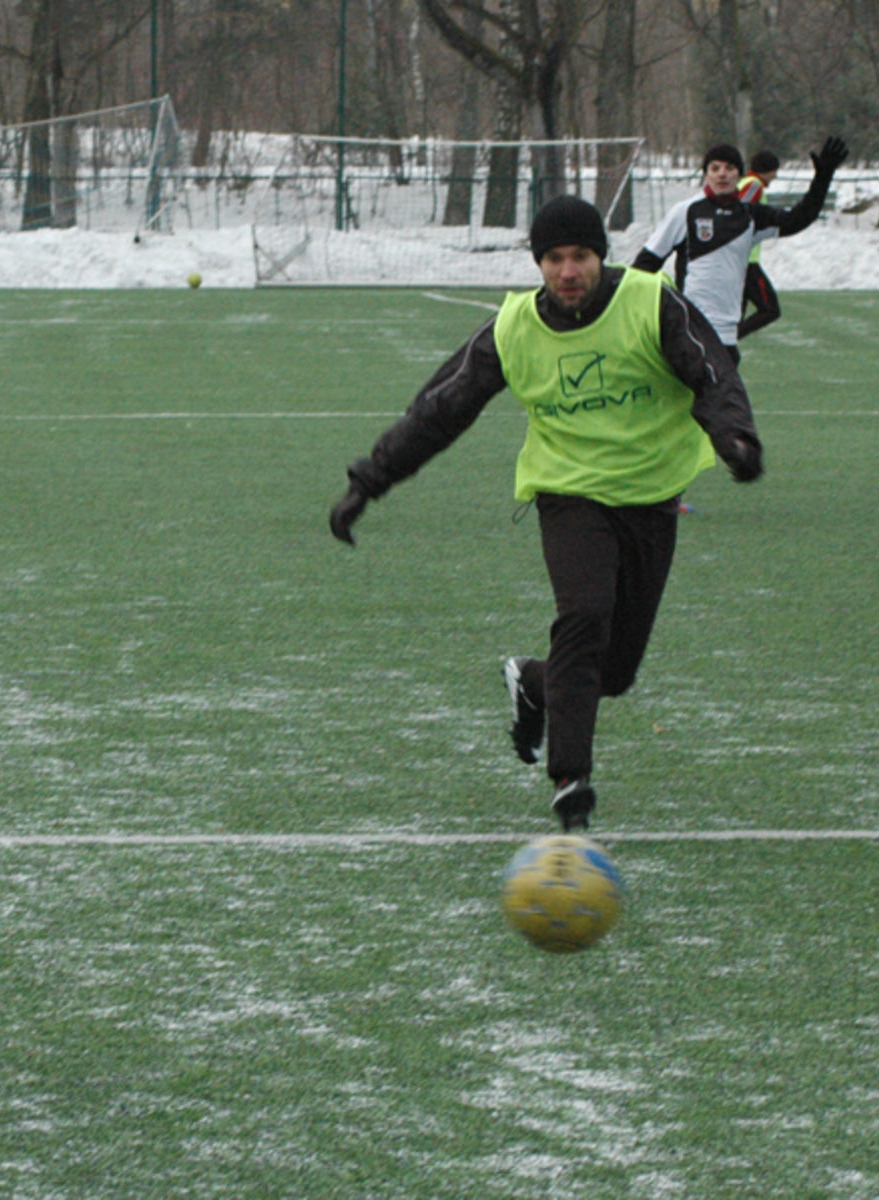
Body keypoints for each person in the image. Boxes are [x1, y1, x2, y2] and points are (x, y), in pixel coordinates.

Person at [327, 196, 763, 831]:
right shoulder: (513, 329)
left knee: (613, 673)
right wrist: (369, 481)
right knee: (584, 618)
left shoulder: (650, 301)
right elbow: (440, 411)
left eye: (580, 257)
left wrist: (735, 438)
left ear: (600, 258)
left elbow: (713, 373)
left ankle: (534, 683)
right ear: (538, 264)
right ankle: (571, 781)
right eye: (554, 259)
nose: (567, 272)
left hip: (651, 498)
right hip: (569, 494)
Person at [631, 136, 848, 362]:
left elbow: (798, 219)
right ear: (706, 175)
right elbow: (645, 264)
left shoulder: (751, 216)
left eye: (729, 168)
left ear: (739, 175)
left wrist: (823, 177)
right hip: (690, 332)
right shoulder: (686, 212)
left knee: (724, 396)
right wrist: (637, 314)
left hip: (726, 337)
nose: (722, 174)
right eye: (715, 168)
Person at [736, 150, 782, 340]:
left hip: (740, 261)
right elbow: (740, 210)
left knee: (736, 314)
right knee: (770, 309)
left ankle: (725, 346)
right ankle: (729, 339)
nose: (776, 176)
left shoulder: (744, 183)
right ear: (766, 171)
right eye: (774, 171)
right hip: (747, 262)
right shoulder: (754, 186)